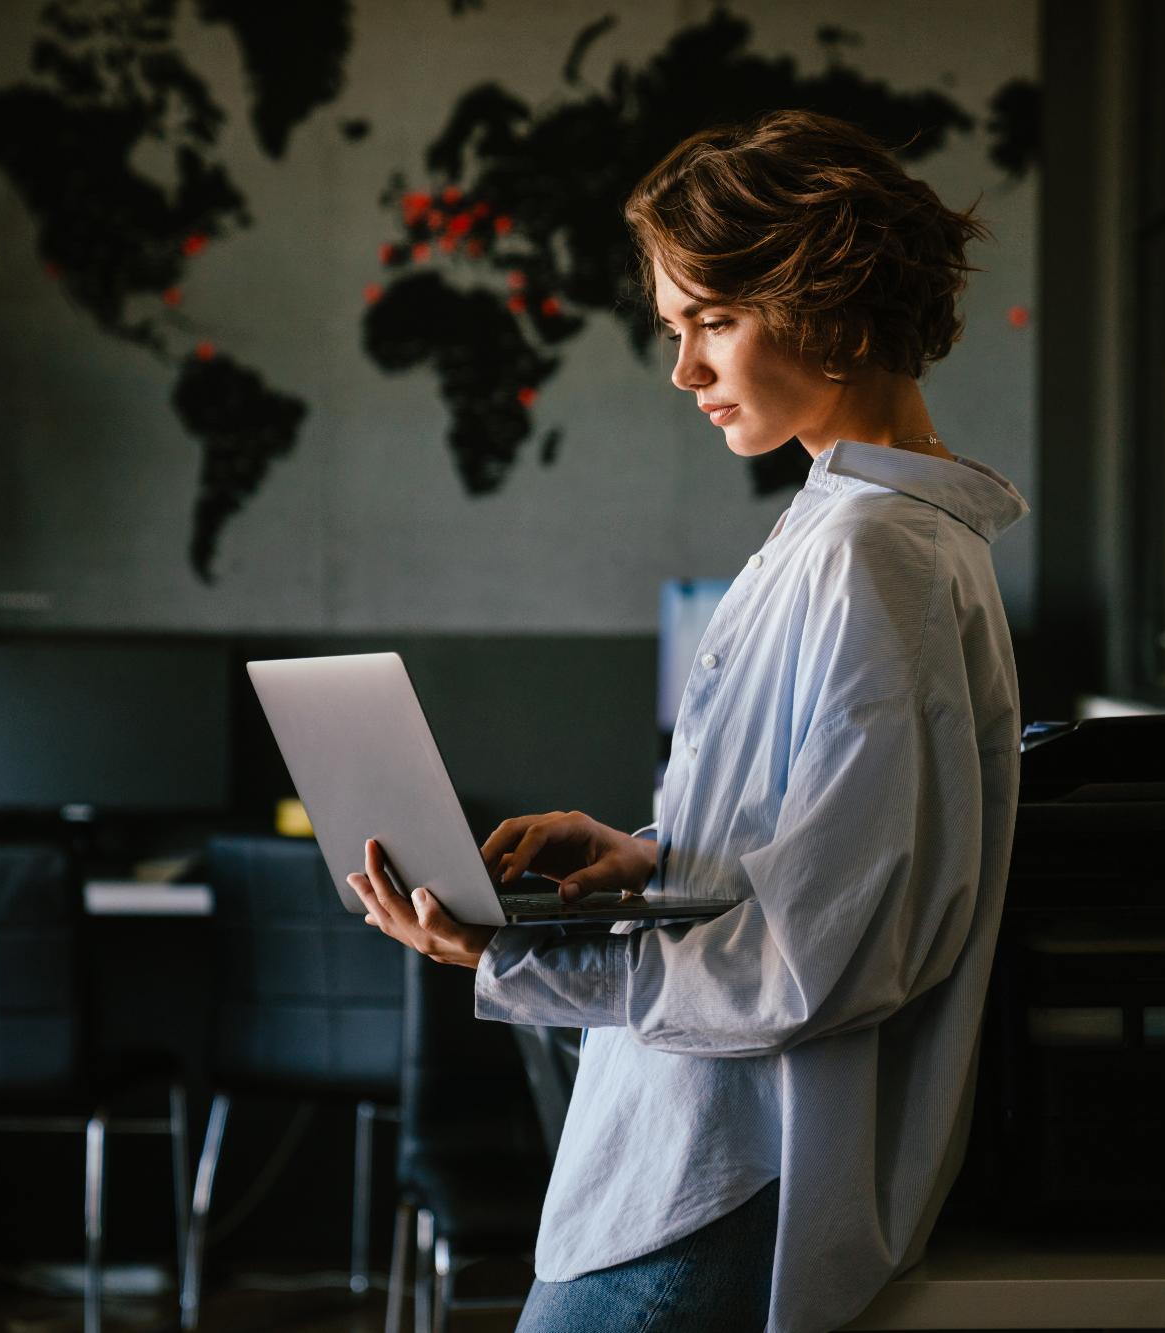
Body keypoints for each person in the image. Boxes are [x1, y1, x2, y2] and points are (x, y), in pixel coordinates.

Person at [347, 108, 1029, 1333]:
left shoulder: (883, 557)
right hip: (690, 1156)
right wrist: (648, 857)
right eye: (677, 329)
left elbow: (826, 952)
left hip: (723, 1175)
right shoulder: (842, 529)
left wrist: (516, 954)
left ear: (836, 297)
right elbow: (823, 848)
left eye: (714, 320)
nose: (686, 372)